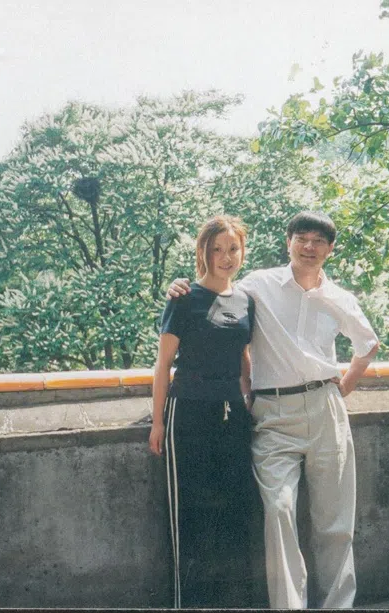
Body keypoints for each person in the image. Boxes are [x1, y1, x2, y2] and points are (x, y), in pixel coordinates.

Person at [167, 211, 379, 609]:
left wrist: (342, 388)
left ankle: (338, 605)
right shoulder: (258, 286)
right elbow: (217, 287)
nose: (310, 247)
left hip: (325, 410)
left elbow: (367, 345)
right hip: (273, 414)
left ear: (330, 249)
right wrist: (180, 286)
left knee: (334, 522)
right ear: (289, 243)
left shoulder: (340, 298)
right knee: (278, 510)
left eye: (319, 241)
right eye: (302, 238)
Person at [149, 215, 258, 608]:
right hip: (188, 414)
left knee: (233, 510)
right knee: (189, 513)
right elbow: (163, 365)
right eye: (217, 249)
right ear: (203, 253)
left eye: (233, 248)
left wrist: (250, 399)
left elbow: (244, 356)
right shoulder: (184, 298)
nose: (226, 257)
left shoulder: (246, 300)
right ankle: (187, 603)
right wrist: (158, 421)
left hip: (233, 416)